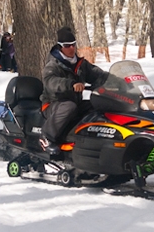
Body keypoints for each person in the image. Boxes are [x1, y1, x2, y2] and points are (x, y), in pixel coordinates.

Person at [39, 27, 109, 155]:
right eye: (67, 46)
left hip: (75, 102)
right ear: (60, 47)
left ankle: (91, 139)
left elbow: (97, 74)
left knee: (97, 103)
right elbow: (50, 82)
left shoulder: (80, 64)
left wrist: (115, 80)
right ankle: (46, 137)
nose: (71, 48)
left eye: (73, 45)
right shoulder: (52, 64)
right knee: (69, 106)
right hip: (53, 104)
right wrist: (71, 84)